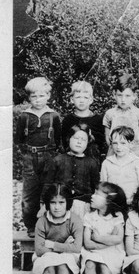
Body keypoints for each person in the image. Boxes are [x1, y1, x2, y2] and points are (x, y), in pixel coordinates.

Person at [15, 77, 62, 237]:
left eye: (41, 96)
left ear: (48, 96)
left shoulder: (53, 116)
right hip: (30, 157)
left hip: (49, 156)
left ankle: (48, 225)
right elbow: (19, 140)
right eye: (34, 96)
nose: (38, 100)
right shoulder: (24, 117)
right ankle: (31, 226)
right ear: (29, 98)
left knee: (48, 190)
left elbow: (59, 140)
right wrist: (27, 155)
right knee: (29, 193)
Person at [32, 184, 83, 274]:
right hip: (47, 255)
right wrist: (63, 247)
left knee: (63, 265)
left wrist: (52, 245)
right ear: (48, 204)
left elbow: (77, 248)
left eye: (61, 202)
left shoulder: (74, 220)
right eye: (53, 202)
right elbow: (39, 249)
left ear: (68, 203)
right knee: (49, 264)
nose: (57, 206)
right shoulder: (42, 221)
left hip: (68, 255)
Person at [81, 182, 127, 274]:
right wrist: (106, 242)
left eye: (97, 194)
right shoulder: (89, 216)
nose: (92, 196)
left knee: (105, 265)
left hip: (113, 252)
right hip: (93, 251)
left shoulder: (117, 216)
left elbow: (118, 239)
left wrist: (98, 237)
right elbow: (88, 243)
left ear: (108, 199)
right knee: (89, 264)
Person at [44, 123, 100, 219]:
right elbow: (48, 183)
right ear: (68, 139)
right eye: (75, 138)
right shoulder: (58, 160)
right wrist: (43, 204)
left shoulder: (92, 163)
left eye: (83, 140)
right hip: (60, 204)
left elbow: (96, 187)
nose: (79, 142)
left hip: (83, 205)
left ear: (88, 142)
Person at [103, 73, 139, 159]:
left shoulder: (138, 113)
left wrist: (133, 148)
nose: (123, 100)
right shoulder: (110, 113)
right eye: (120, 95)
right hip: (115, 152)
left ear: (134, 96)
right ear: (114, 95)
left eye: (127, 96)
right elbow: (107, 138)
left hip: (134, 152)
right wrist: (116, 147)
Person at [100, 126, 139, 204]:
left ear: (131, 144)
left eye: (123, 143)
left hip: (132, 204)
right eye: (115, 143)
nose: (118, 147)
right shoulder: (107, 163)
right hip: (112, 204)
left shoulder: (138, 163)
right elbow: (103, 186)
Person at [61, 81, 106, 162]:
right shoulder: (68, 119)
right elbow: (64, 141)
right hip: (72, 160)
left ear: (91, 100)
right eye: (78, 97)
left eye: (85, 97)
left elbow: (101, 142)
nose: (82, 101)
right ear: (72, 99)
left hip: (92, 160)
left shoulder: (98, 120)